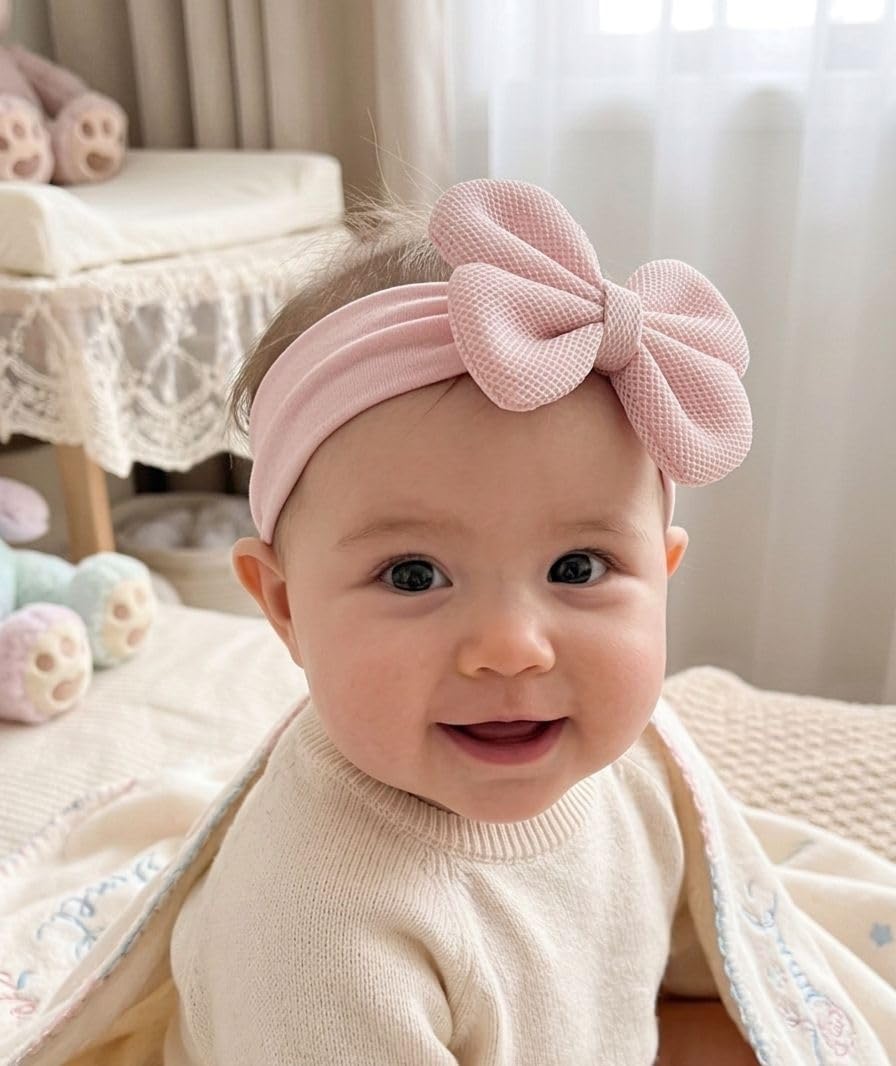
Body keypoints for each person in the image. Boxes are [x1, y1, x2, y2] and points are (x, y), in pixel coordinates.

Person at [161, 179, 893, 1065]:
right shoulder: (315, 941)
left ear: (661, 575)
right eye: (413, 575)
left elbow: (713, 944)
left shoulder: (636, 760)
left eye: (577, 568)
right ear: (284, 606)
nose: (512, 648)